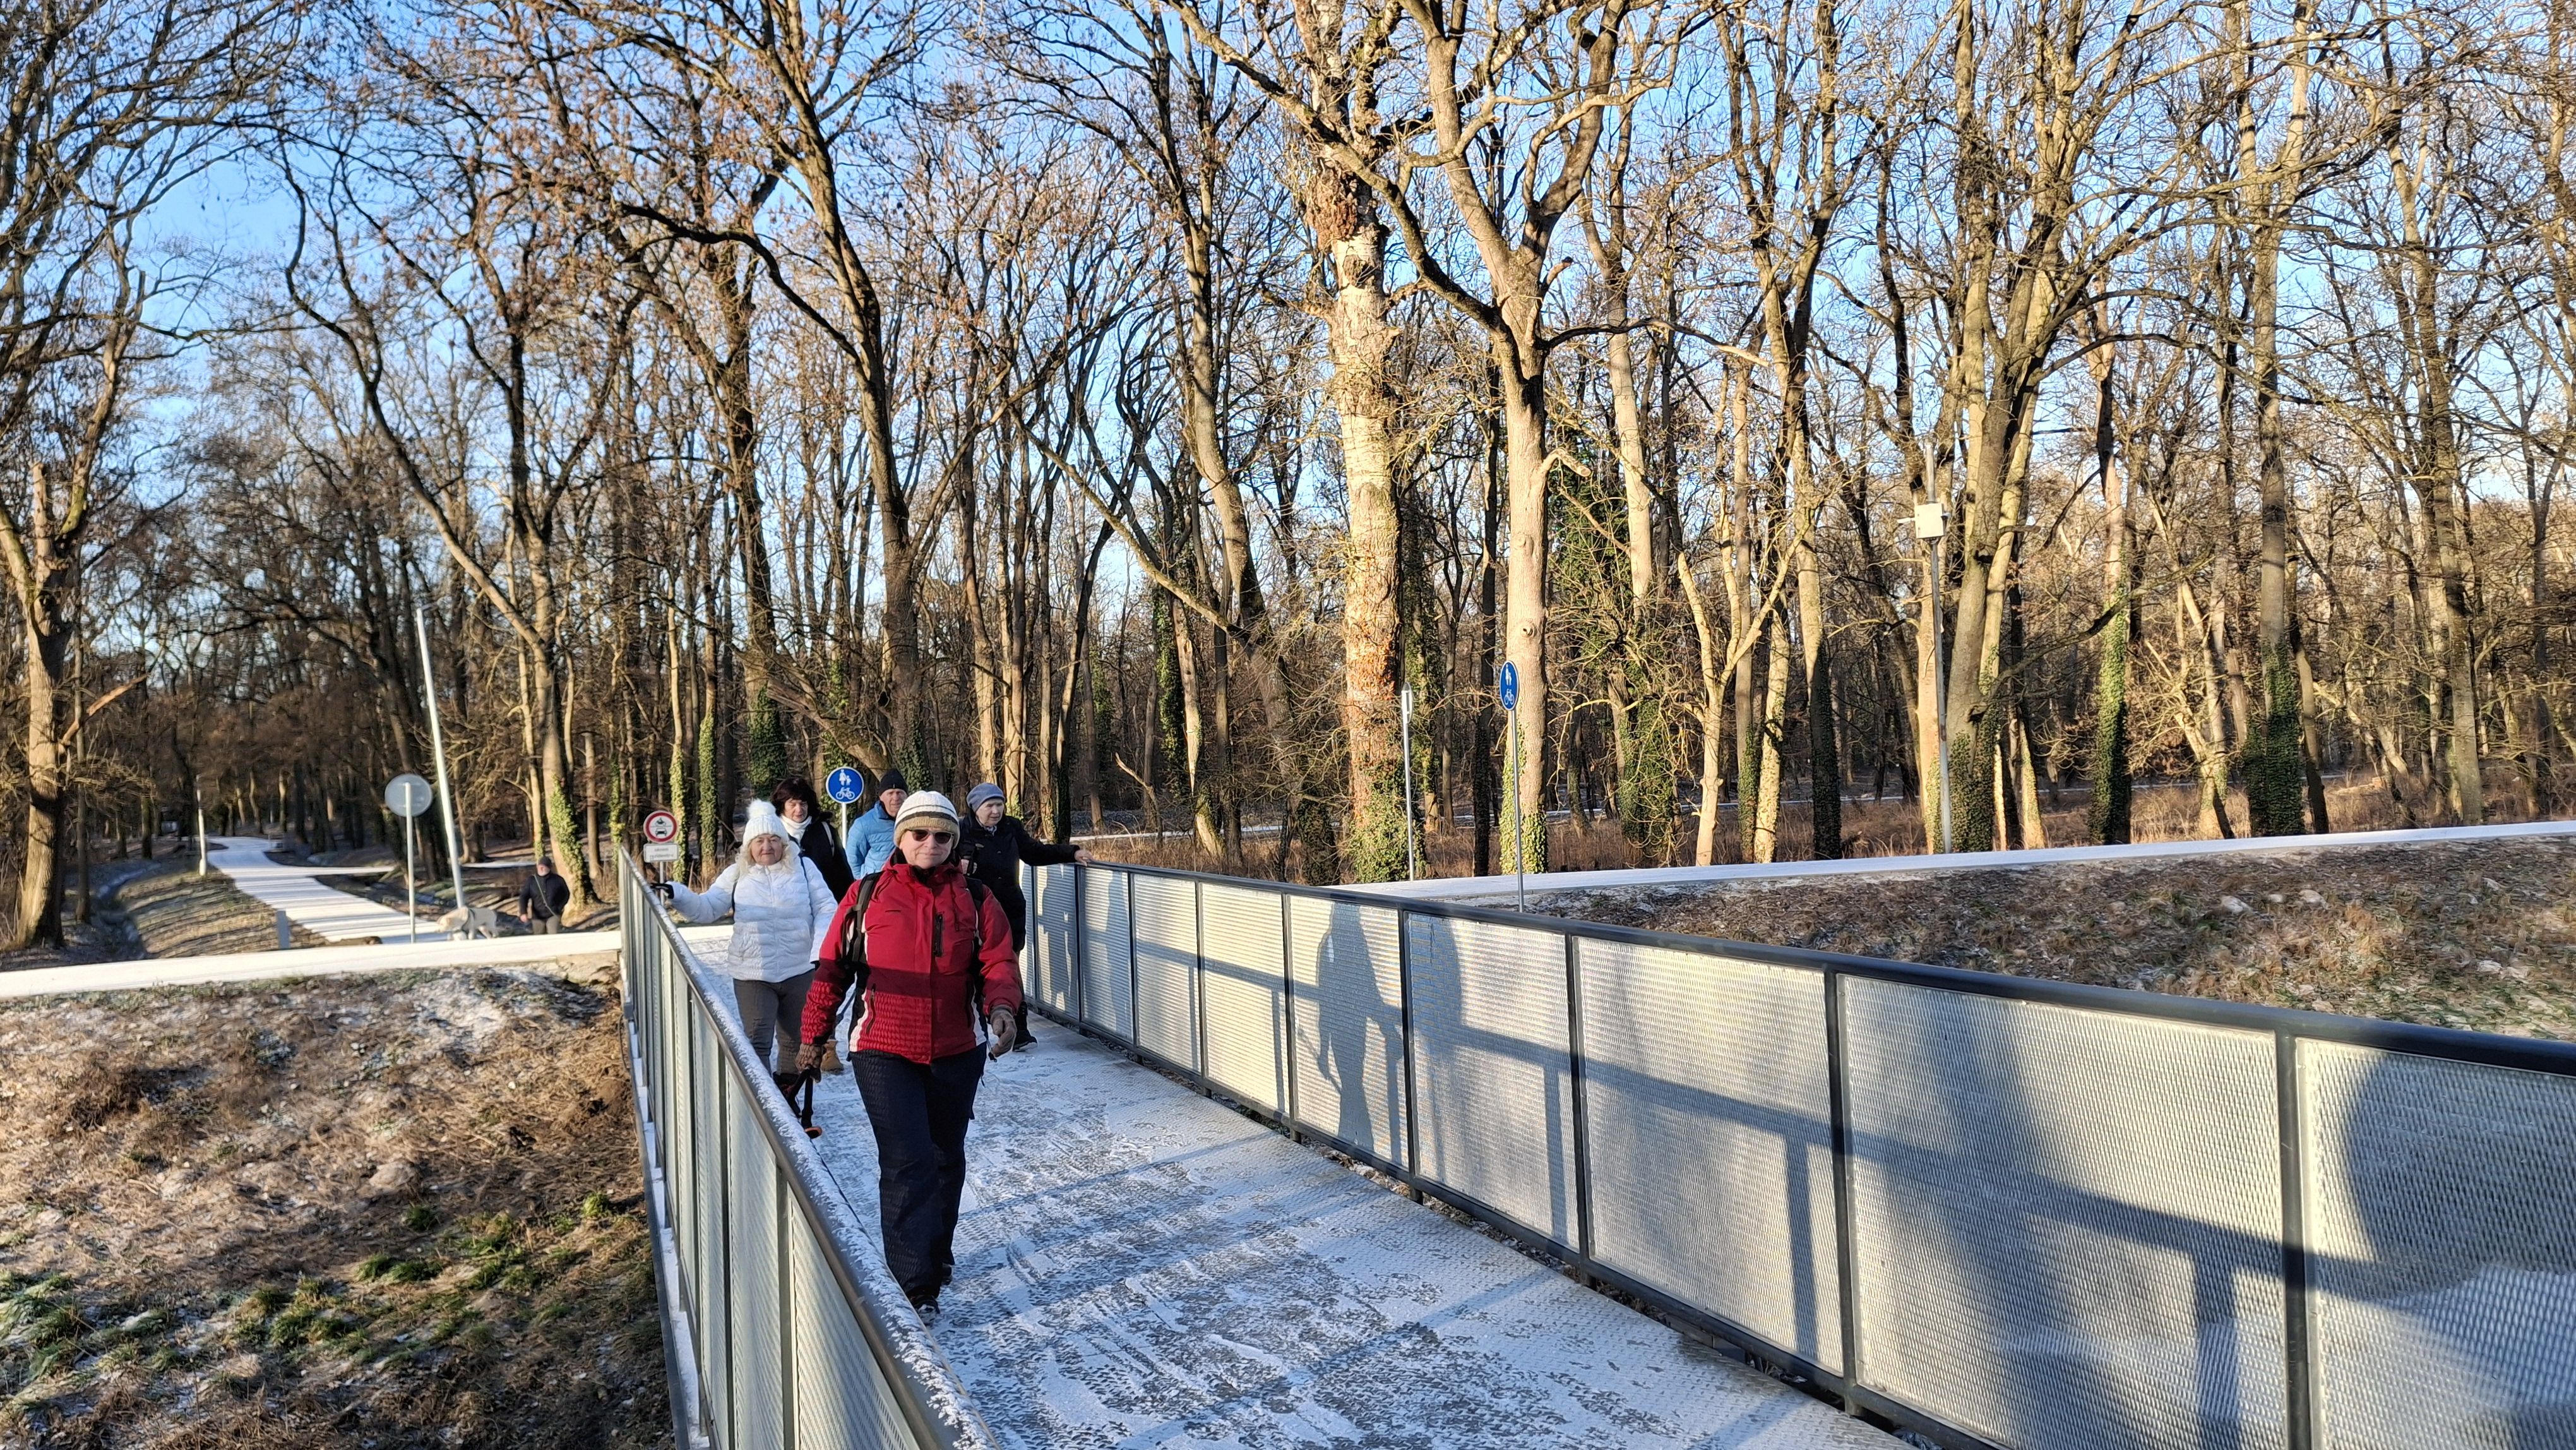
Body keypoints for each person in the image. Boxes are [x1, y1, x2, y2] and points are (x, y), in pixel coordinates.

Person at [799, 790, 1021, 1317]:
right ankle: (913, 1286)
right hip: (883, 1046)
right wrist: (813, 1036)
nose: (930, 843)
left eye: (942, 836)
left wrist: (1002, 1009)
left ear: (953, 841)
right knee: (907, 1160)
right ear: (901, 838)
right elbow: (832, 968)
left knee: (945, 1157)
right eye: (919, 834)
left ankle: (935, 1256)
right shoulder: (867, 895)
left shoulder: (976, 897)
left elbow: (998, 963)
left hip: (956, 1047)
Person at [659, 802, 838, 1094]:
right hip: (753, 973)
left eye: (773, 840)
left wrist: (818, 952)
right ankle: (761, 1102)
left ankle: (788, 1098)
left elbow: (827, 910)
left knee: (795, 1040)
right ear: (749, 846)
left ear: (783, 843)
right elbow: (707, 908)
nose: (767, 847)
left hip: (799, 969)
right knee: (756, 1041)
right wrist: (677, 894)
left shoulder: (804, 869)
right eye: (759, 841)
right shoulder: (736, 874)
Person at [958, 782, 1093, 1046]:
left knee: (1009, 969)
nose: (996, 811)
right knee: (972, 970)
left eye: (999, 805)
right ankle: (972, 1028)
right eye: (989, 806)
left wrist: (1072, 852)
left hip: (1010, 912)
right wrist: (958, 867)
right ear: (976, 808)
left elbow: (1035, 853)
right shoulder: (961, 831)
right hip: (973, 915)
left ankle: (1019, 1030)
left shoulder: (1011, 828)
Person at [773, 776, 855, 901]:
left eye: (803, 804)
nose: (799, 810)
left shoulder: (826, 831)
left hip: (826, 906)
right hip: (787, 907)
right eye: (793, 804)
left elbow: (843, 875)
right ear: (782, 805)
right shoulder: (772, 833)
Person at [844, 769, 908, 882]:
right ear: (881, 797)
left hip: (907, 883)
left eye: (900, 793)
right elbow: (852, 860)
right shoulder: (863, 824)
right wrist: (865, 881)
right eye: (890, 793)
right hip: (877, 886)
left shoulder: (915, 821)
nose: (895, 798)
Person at [517, 856, 570, 934]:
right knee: (539, 936)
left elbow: (566, 894)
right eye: (540, 867)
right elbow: (524, 897)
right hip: (537, 916)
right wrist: (523, 912)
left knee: (554, 933)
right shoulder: (531, 881)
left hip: (553, 914)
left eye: (544, 867)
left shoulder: (558, 880)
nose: (541, 869)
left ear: (549, 868)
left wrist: (559, 907)